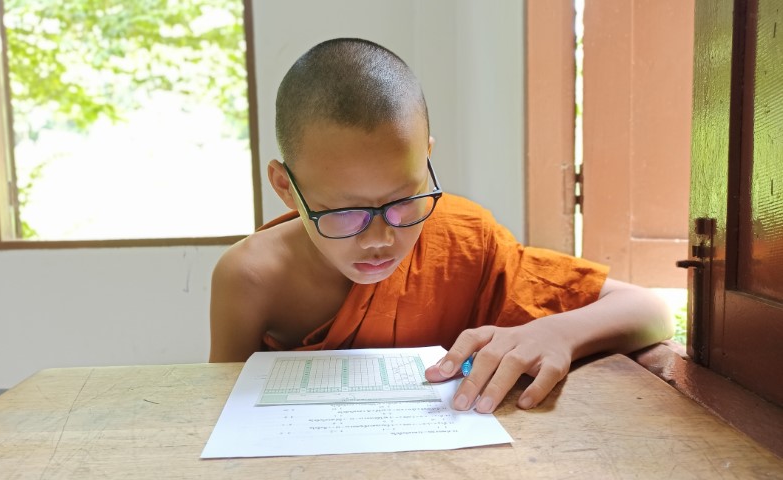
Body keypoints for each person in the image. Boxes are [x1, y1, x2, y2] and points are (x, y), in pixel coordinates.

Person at [208, 38, 673, 413]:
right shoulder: (250, 278)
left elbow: (649, 311)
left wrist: (556, 334)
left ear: (426, 158)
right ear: (286, 188)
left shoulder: (464, 238)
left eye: (404, 201)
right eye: (343, 213)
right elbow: (217, 408)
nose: (380, 240)